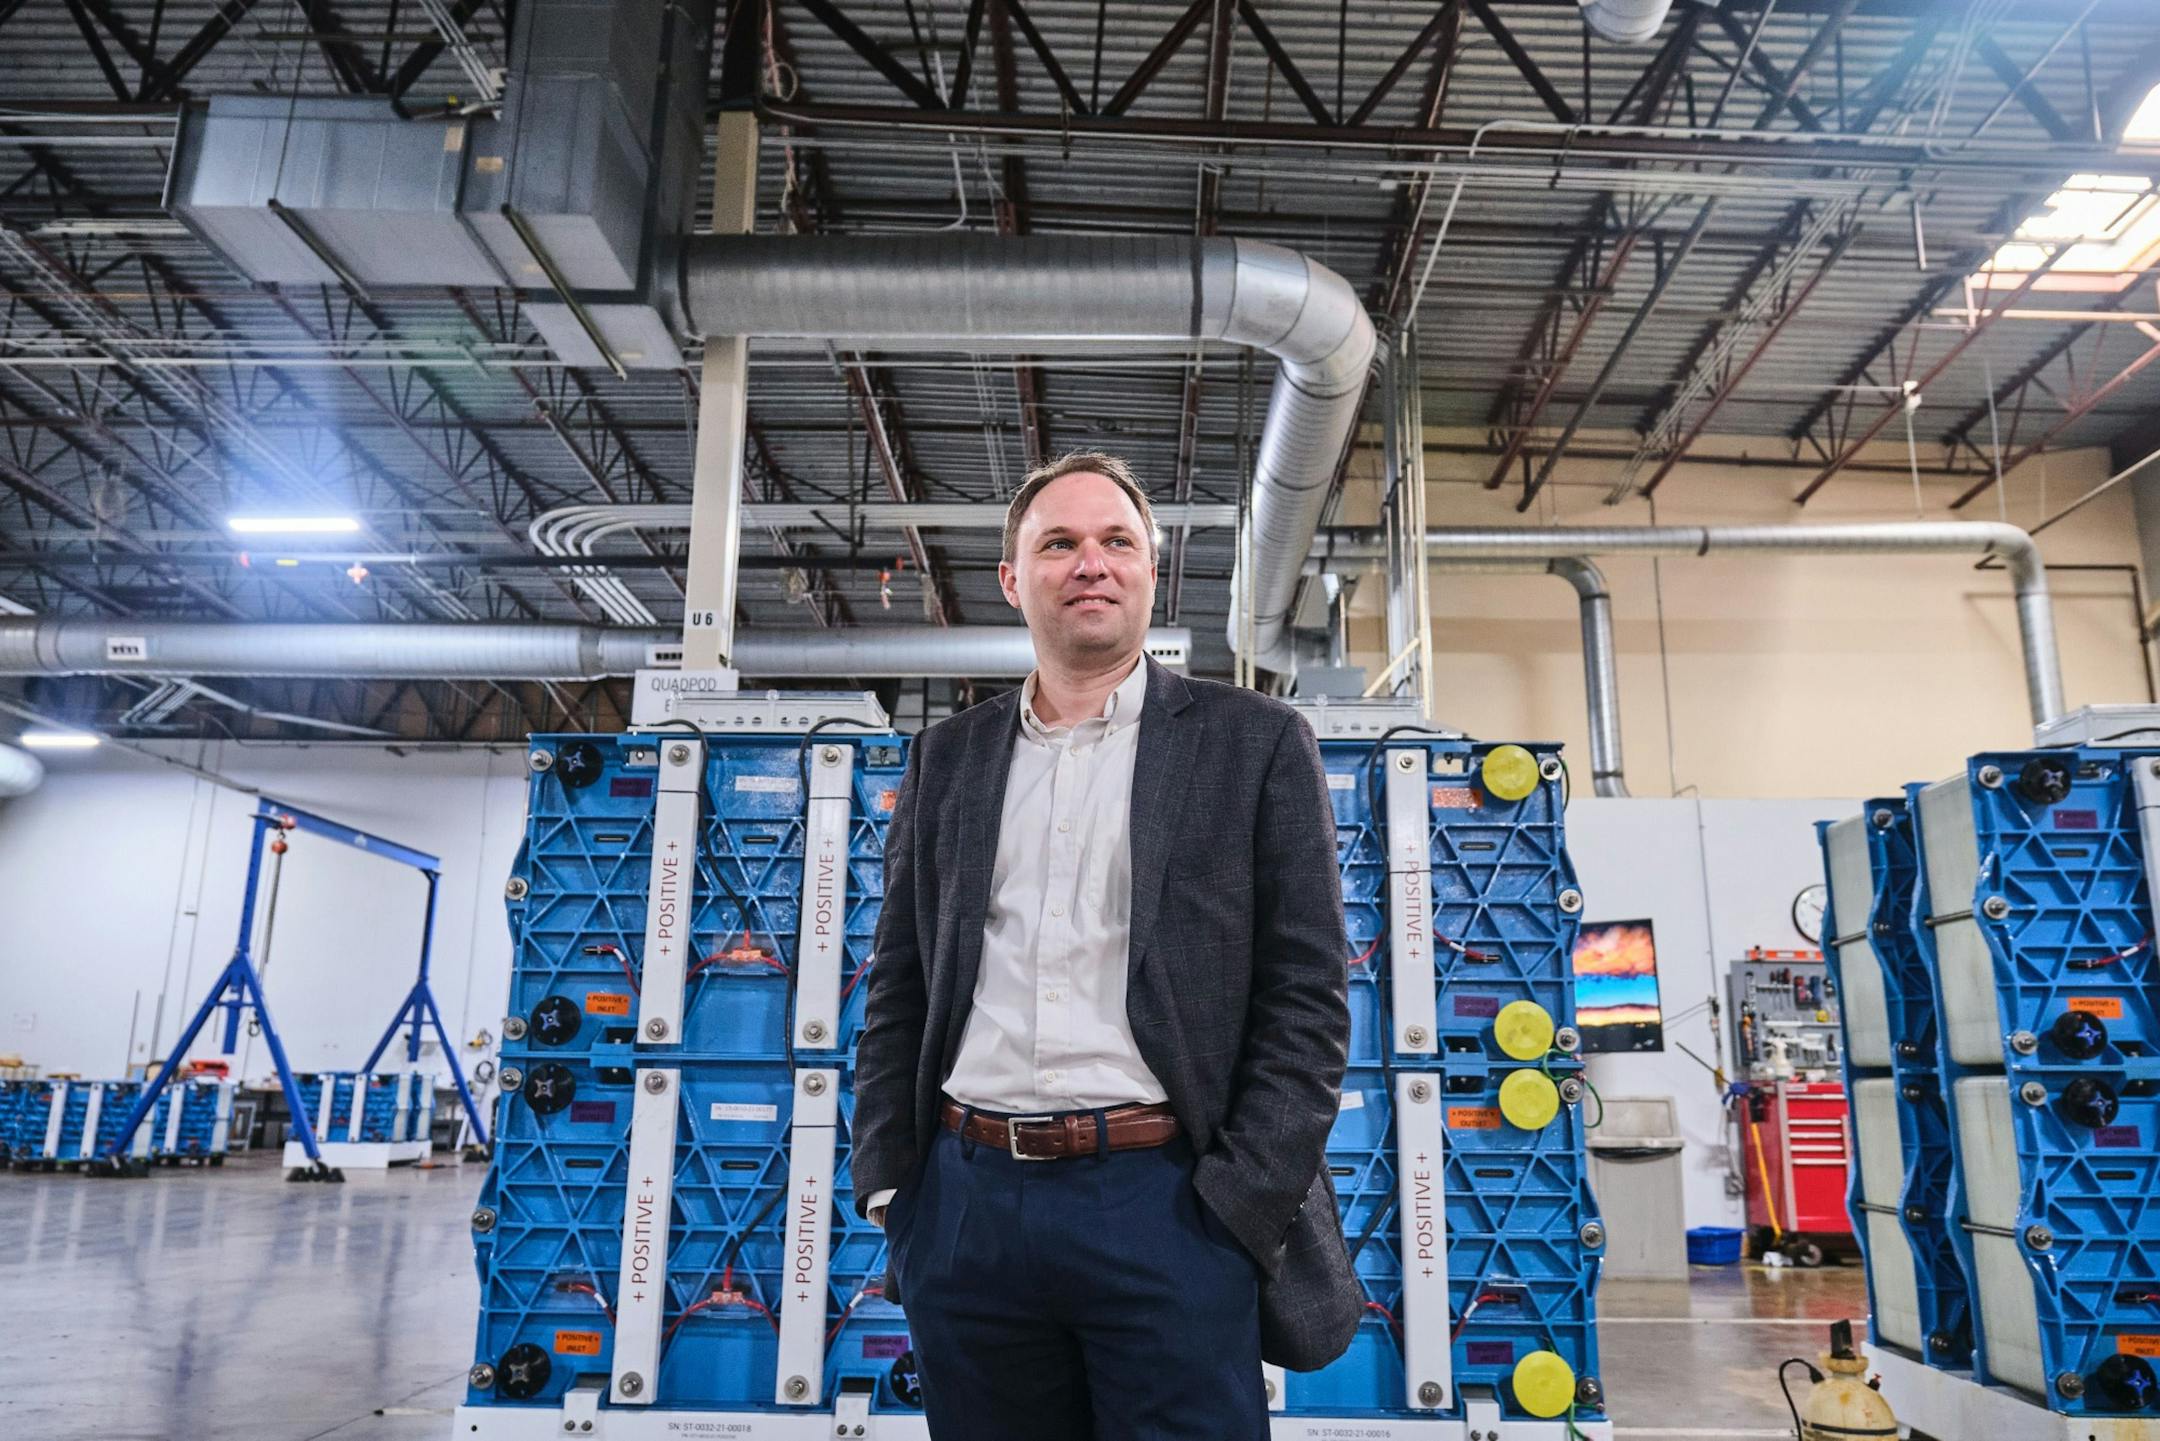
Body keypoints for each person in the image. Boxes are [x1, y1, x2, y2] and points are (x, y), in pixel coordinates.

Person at [849, 450, 1359, 1440]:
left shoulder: (1252, 742)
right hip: (967, 1211)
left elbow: (1307, 999)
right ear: (1014, 578)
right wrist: (891, 1187)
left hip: (1168, 1204)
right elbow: (899, 983)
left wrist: (1238, 1205)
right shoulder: (949, 757)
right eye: (1061, 543)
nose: (1092, 561)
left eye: (1117, 540)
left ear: (1150, 571)